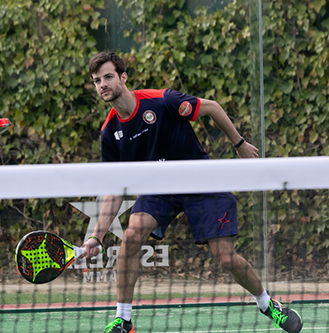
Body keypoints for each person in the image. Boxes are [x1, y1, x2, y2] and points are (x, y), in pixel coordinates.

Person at [81, 52, 303, 333]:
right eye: (97, 80)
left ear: (123, 77)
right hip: (158, 189)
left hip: (199, 179)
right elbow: (114, 189)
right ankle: (123, 320)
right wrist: (95, 237)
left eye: (108, 76)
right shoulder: (109, 132)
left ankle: (268, 305)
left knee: (225, 257)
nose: (102, 84)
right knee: (132, 234)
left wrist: (240, 144)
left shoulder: (162, 101)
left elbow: (211, 107)